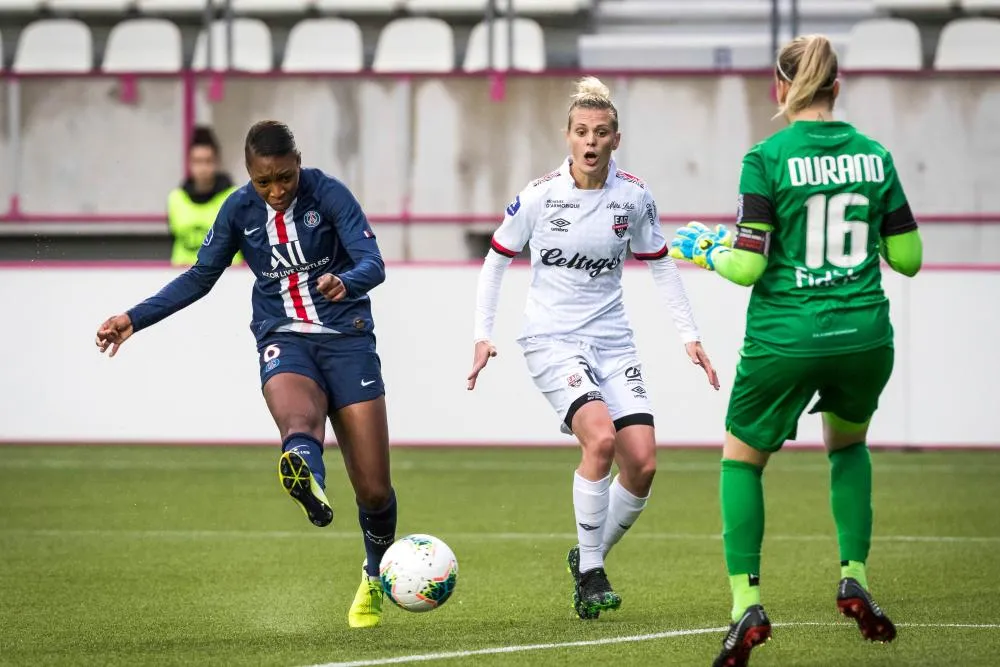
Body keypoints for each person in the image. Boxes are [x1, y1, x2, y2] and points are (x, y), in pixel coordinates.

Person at [667, 35, 923, 667]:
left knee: (741, 461)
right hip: (863, 334)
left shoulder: (767, 157)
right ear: (837, 87)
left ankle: (745, 604)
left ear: (779, 89)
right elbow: (910, 259)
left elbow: (748, 267)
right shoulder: (874, 156)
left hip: (787, 335)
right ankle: (854, 574)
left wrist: (702, 250)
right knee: (849, 446)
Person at [95, 120, 397, 629]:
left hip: (347, 341)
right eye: (264, 181)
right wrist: (134, 318)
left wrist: (345, 280)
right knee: (298, 425)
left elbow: (374, 262)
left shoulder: (330, 195)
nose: (276, 190)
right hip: (284, 337)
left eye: (284, 177)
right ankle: (308, 479)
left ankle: (373, 574)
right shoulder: (238, 209)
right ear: (250, 175)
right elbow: (200, 276)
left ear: (298, 161)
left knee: (373, 491)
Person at [467, 76, 720, 621]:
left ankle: (588, 556)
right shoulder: (538, 197)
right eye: (581, 131)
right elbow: (495, 261)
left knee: (644, 464)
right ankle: (590, 572)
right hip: (550, 340)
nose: (589, 141)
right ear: (567, 136)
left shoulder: (634, 197)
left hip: (612, 343)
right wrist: (482, 334)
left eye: (600, 133)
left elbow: (661, 267)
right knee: (601, 440)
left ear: (615, 139)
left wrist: (689, 335)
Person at [168, 126, 240, 266]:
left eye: (208, 161)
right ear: (189, 163)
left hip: (229, 277)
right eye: (197, 161)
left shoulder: (234, 198)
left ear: (217, 162)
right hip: (183, 276)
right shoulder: (175, 199)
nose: (203, 168)